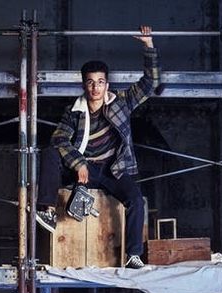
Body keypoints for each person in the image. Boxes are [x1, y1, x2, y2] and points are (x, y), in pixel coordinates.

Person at [38, 25, 159, 269]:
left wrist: (149, 46)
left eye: (100, 82)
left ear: (107, 84)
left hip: (113, 170)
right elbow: (59, 139)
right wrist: (79, 164)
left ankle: (133, 255)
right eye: (91, 83)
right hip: (85, 170)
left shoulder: (121, 102)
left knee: (136, 200)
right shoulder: (74, 111)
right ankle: (47, 210)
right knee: (50, 153)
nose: (96, 88)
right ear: (84, 85)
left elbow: (150, 84)